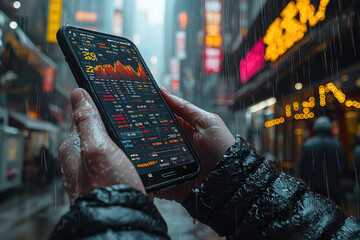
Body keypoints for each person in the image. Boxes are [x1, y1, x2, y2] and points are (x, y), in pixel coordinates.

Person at [49, 88, 360, 239]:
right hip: (329, 188)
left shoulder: (308, 144)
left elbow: (305, 169)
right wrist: (234, 180)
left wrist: (111, 212)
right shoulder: (335, 144)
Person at [299, 117, 348, 205]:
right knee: (335, 213)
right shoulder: (337, 145)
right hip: (333, 187)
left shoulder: (308, 145)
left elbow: (302, 168)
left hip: (314, 187)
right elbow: (344, 167)